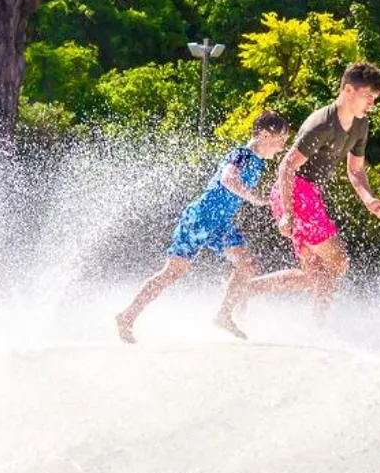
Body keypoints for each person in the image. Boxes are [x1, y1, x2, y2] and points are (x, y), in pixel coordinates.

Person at [115, 111, 291, 343]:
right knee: (173, 272)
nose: (282, 147)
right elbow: (228, 179)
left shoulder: (258, 163)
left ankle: (223, 315)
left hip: (221, 223)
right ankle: (126, 317)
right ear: (265, 135)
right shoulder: (241, 154)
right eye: (281, 139)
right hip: (200, 218)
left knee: (247, 265)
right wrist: (255, 198)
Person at [244, 61, 380, 319]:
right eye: (368, 95)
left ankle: (251, 290)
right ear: (348, 90)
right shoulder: (322, 124)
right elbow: (286, 166)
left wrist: (369, 200)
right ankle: (313, 322)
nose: (371, 103)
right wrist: (288, 213)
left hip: (308, 195)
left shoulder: (360, 125)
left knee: (317, 275)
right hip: (296, 192)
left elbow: (355, 170)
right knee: (339, 262)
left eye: (374, 98)